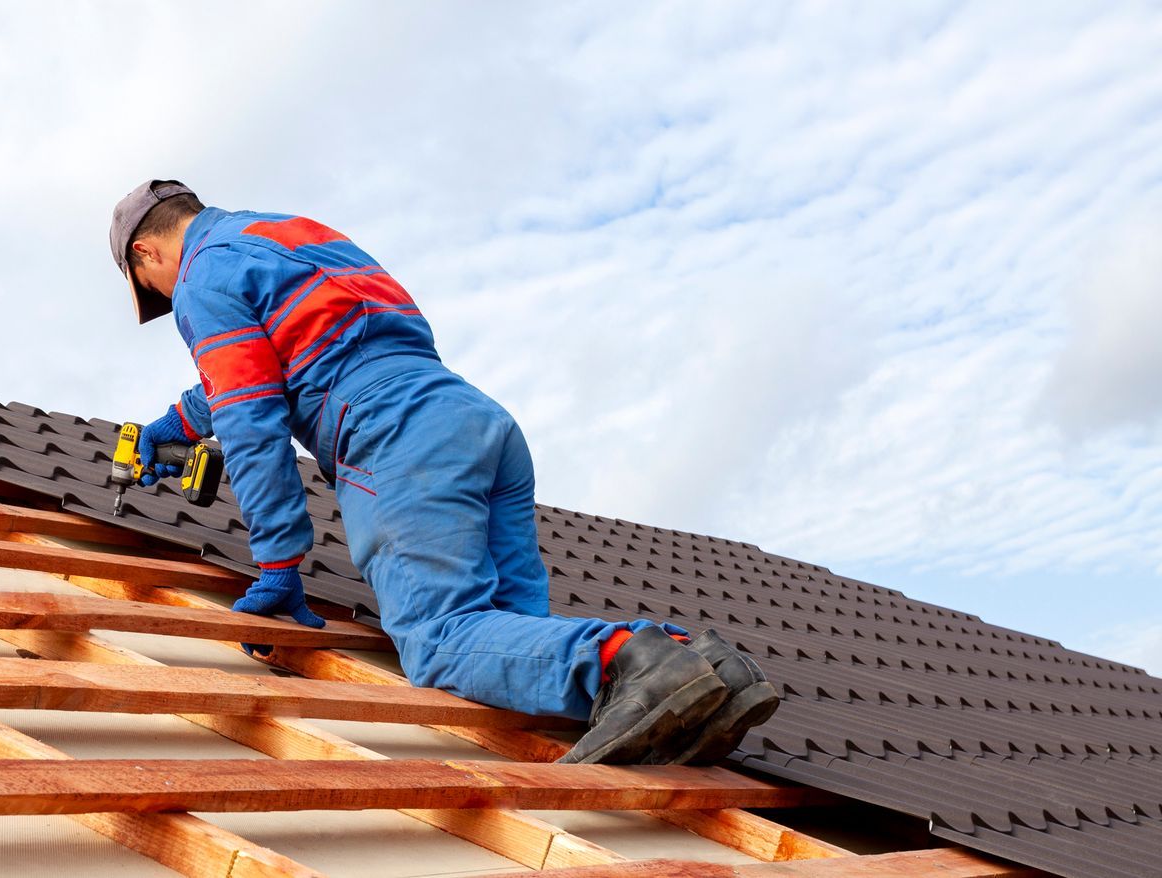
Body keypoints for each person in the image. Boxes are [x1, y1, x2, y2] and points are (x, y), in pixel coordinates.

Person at [107, 179, 779, 764]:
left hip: (396, 435)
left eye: (153, 290)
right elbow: (288, 359)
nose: (169, 298)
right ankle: (706, 666)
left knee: (440, 642)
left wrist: (279, 565)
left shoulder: (201, 278)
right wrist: (177, 423)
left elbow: (253, 423)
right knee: (508, 647)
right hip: (471, 420)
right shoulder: (284, 233)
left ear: (146, 254)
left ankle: (635, 659)